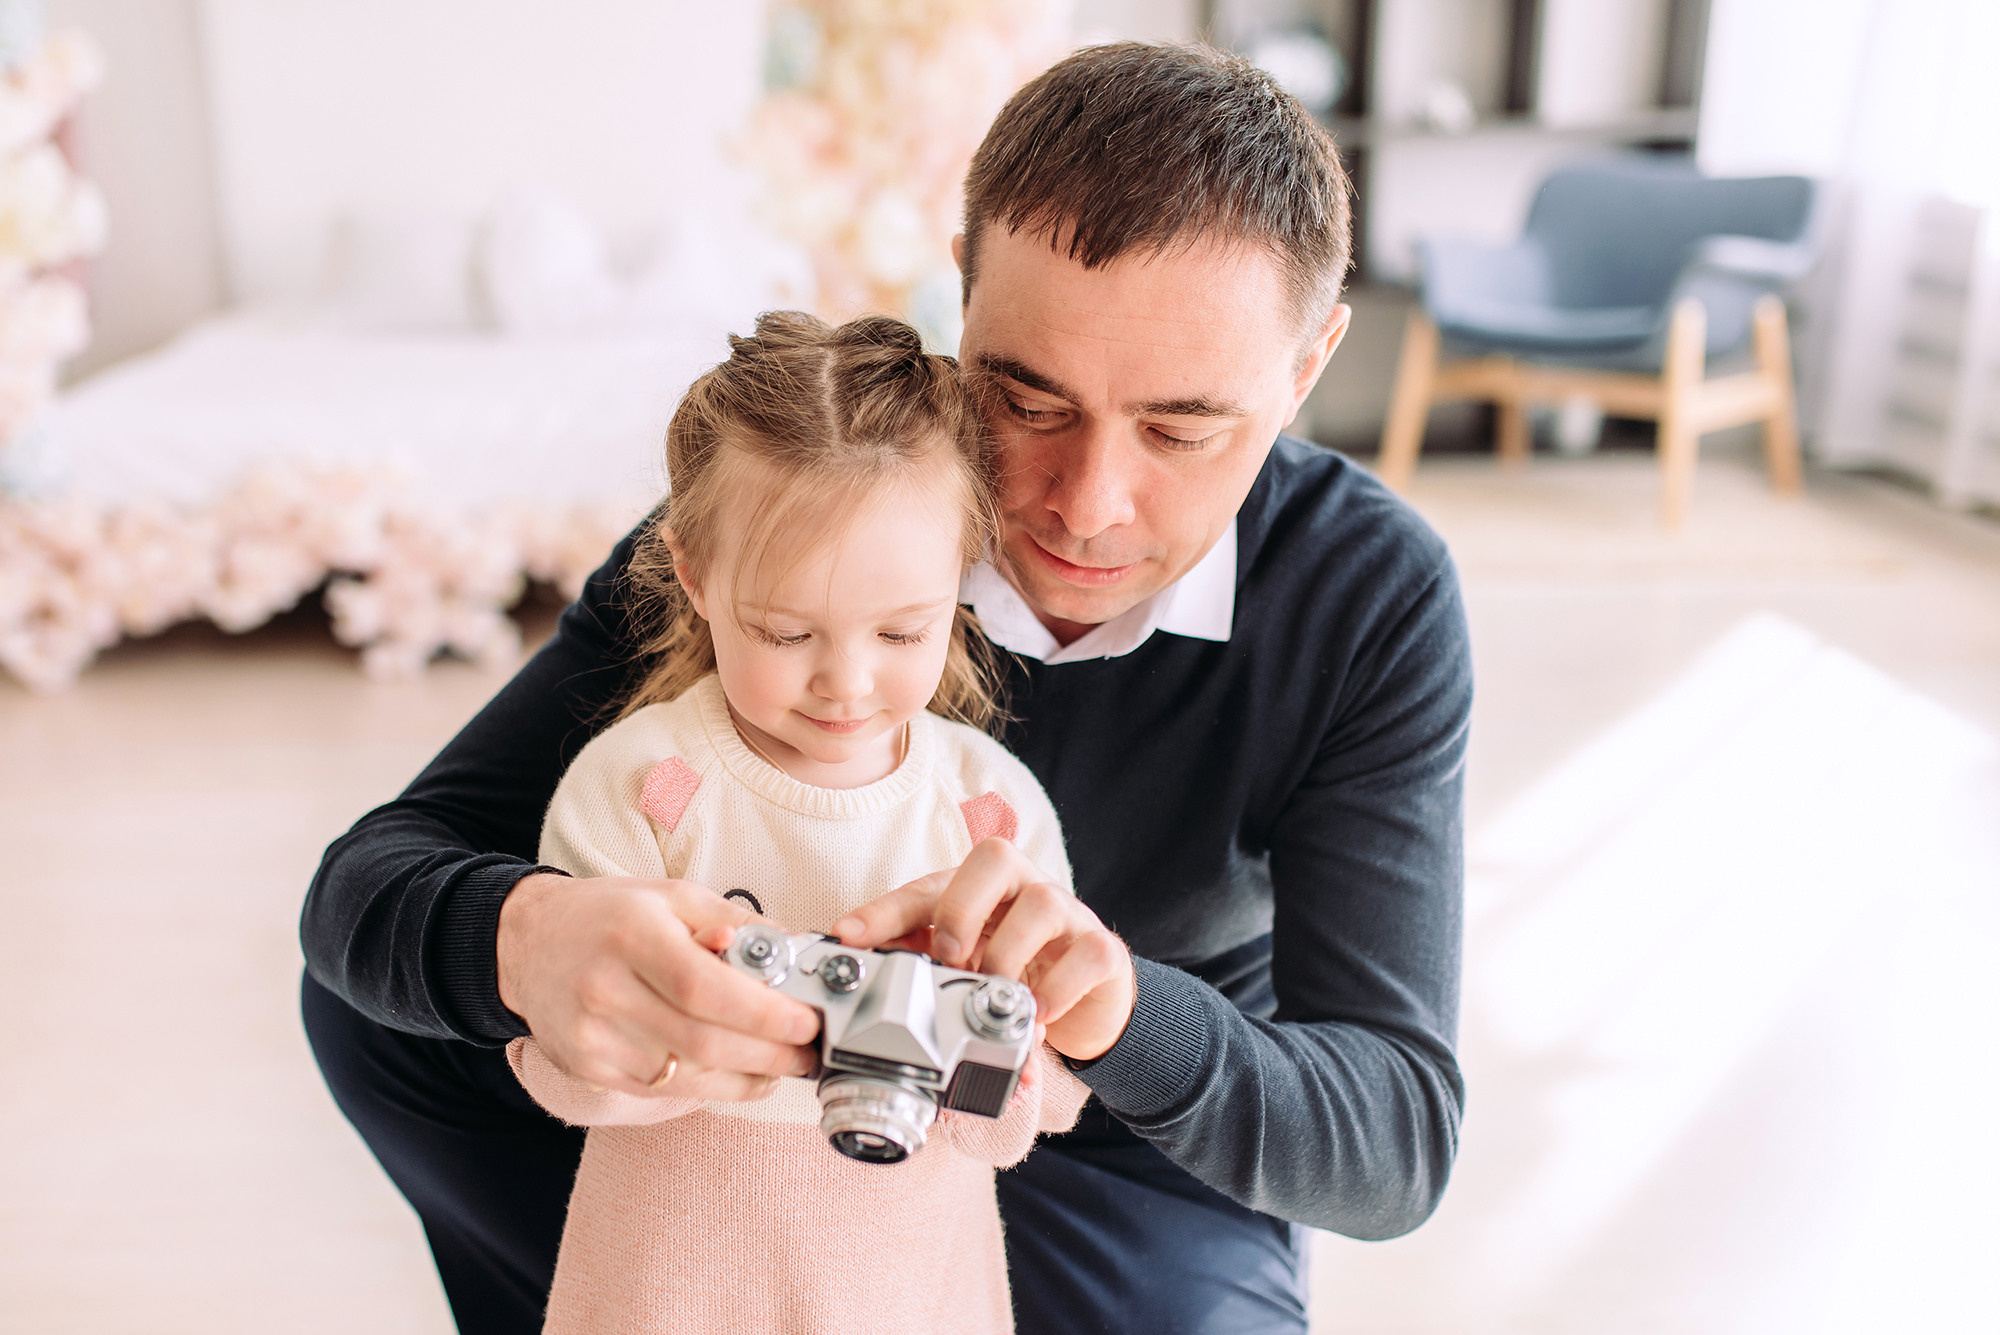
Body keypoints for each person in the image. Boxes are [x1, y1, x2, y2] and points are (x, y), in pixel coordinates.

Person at [303, 42, 1472, 1335]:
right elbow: (366, 890)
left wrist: (1123, 1011)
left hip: (1117, 1139)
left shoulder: (1367, 594)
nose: (1085, 504)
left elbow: (1392, 1140)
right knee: (401, 1003)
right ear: (962, 289)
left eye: (1184, 428)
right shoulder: (799, 516)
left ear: (1306, 368)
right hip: (725, 1133)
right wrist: (524, 939)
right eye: (1025, 397)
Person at [512, 310, 1090, 1334]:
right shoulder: (647, 787)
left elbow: (1012, 1128)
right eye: (785, 631)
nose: (845, 682)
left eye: (902, 629)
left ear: (961, 573)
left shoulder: (987, 816)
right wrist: (698, 1033)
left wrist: (995, 1034)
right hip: (667, 1286)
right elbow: (569, 1082)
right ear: (694, 577)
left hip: (910, 1289)